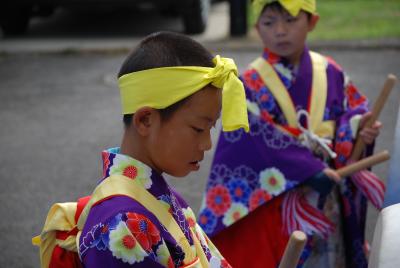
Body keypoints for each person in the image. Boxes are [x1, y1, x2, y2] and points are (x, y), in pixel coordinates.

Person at [33, 31, 249, 268]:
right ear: (145, 120)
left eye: (211, 127)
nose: (207, 143)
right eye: (198, 128)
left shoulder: (157, 198)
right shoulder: (121, 225)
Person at [197, 1, 383, 267]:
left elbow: (351, 112)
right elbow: (247, 142)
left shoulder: (330, 71)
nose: (280, 31)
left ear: (312, 22)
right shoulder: (248, 83)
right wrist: (305, 168)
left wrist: (359, 127)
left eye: (291, 20)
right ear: (257, 29)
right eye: (269, 22)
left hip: (328, 193)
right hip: (280, 202)